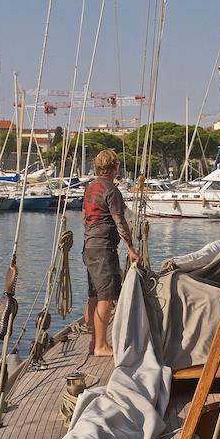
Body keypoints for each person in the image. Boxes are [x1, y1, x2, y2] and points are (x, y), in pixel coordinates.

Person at [82, 149, 139, 356]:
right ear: (115, 167)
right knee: (106, 297)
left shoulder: (90, 188)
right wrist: (131, 249)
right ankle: (101, 346)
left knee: (93, 296)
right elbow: (119, 221)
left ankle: (92, 342)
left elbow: (84, 217)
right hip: (104, 248)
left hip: (89, 247)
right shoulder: (111, 190)